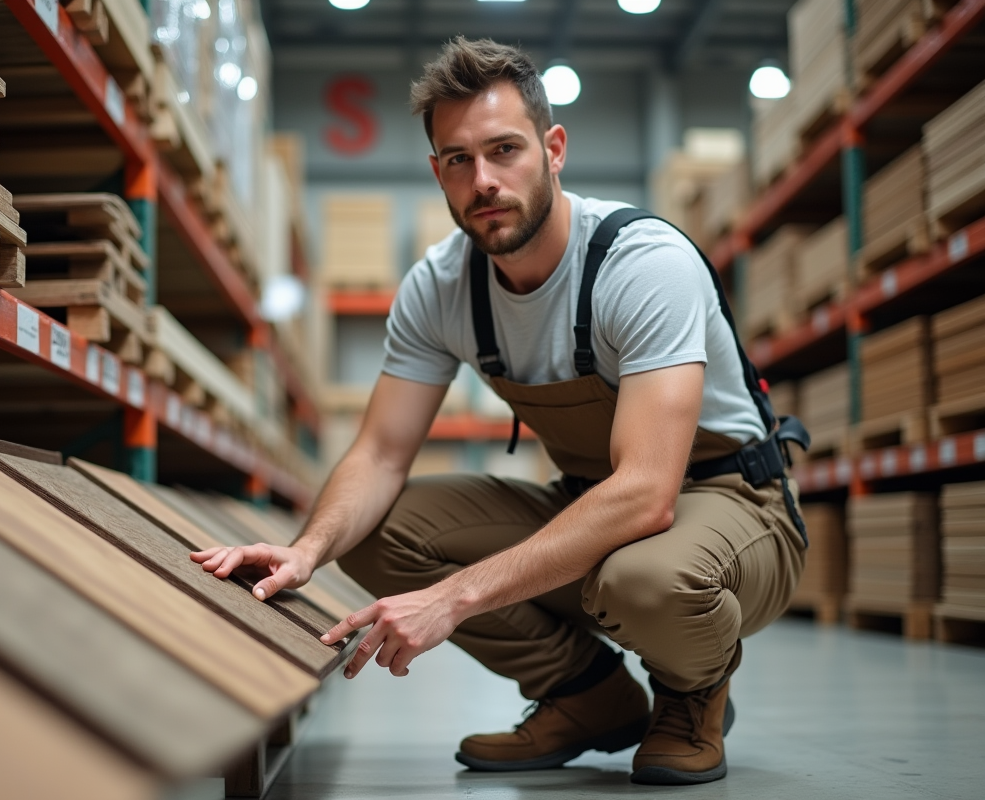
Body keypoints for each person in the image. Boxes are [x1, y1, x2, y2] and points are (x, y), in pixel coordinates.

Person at [192, 36, 809, 786]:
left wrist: (453, 600)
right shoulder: (442, 286)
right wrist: (306, 549)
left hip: (731, 507)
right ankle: (588, 697)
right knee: (376, 535)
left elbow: (648, 493)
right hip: (590, 503)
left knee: (642, 579)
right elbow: (380, 454)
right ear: (437, 174)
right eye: (459, 159)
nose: (483, 180)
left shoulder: (641, 264)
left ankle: (693, 691)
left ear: (553, 149)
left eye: (504, 150)